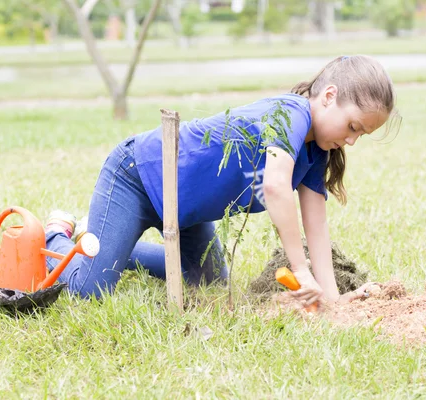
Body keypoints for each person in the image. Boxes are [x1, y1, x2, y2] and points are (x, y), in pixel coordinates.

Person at [45, 54, 399, 306]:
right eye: (352, 126)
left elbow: (317, 227)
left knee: (210, 282)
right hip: (138, 177)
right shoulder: (289, 113)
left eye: (361, 135)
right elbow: (275, 187)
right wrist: (300, 269)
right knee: (88, 290)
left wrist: (332, 301)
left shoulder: (317, 152)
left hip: (186, 213)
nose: (351, 140)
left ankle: (105, 241)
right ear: (329, 96)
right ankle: (56, 235)